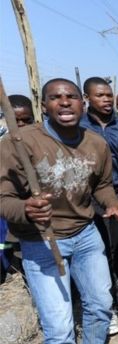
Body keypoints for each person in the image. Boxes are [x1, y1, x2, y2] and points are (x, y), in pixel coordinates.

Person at [0, 78, 118, 344]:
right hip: (41, 242)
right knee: (59, 330)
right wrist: (26, 209)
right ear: (44, 106)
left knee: (101, 307)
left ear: (81, 103)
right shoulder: (18, 143)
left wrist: (112, 204)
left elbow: (103, 186)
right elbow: (3, 198)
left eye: (70, 96)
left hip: (86, 235)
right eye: (55, 97)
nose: (64, 101)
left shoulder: (97, 144)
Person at [80, 76, 118, 335]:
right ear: (87, 98)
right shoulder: (78, 126)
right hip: (90, 197)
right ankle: (108, 306)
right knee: (101, 251)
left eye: (109, 95)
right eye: (100, 95)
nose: (107, 100)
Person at [1, 95, 35, 283]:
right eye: (16, 121)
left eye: (26, 120)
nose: (21, 125)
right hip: (21, 224)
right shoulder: (4, 148)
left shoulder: (44, 142)